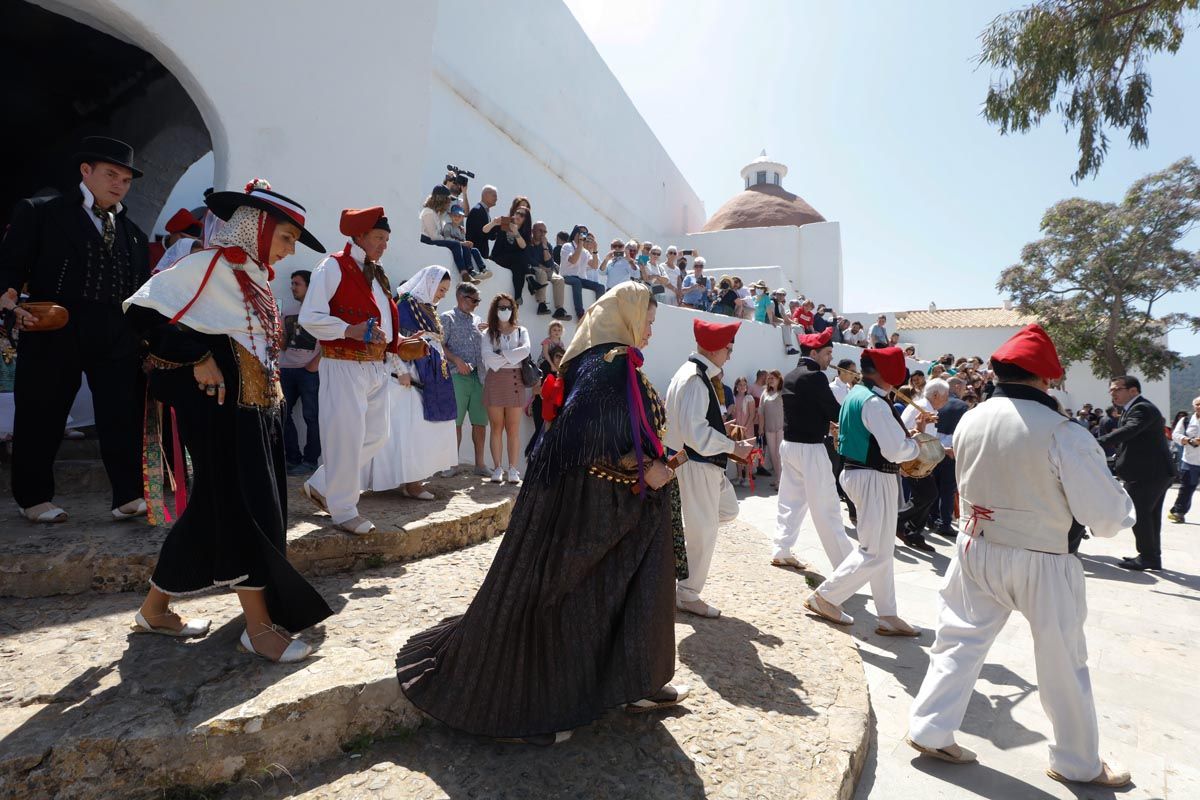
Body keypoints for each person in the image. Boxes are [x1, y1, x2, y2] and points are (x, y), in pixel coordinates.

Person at [396, 283, 687, 744]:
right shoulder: (609, 365)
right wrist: (639, 466)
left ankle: (637, 681)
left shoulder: (610, 362)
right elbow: (580, 435)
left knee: (626, 595)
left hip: (615, 505)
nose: (650, 330)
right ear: (627, 318)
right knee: (571, 597)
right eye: (647, 320)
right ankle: (537, 707)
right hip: (591, 507)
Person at [907, 324, 1134, 788]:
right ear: (1045, 379)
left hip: (976, 545)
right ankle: (1076, 761)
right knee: (1062, 661)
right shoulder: (1064, 433)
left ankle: (930, 727)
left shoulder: (971, 417)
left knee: (958, 640)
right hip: (1044, 556)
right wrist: (1122, 503)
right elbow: (1106, 518)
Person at [123, 177, 333, 662]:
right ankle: (258, 629)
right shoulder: (205, 266)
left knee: (212, 508)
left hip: (256, 411)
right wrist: (197, 355)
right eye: (284, 238)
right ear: (257, 228)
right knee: (242, 508)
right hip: (220, 413)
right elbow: (140, 314)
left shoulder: (256, 278)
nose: (287, 252)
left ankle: (155, 609)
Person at [0, 136, 150, 523]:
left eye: (126, 179)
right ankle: (33, 499)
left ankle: (127, 495)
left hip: (116, 332)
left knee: (121, 412)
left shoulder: (133, 232)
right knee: (42, 412)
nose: (119, 184)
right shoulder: (41, 212)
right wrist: (10, 302)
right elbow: (10, 266)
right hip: (56, 326)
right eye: (111, 174)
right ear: (86, 171)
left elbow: (140, 290)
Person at [806, 346, 927, 636]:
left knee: (882, 550)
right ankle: (826, 596)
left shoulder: (857, 395)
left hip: (863, 475)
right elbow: (896, 449)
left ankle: (887, 614)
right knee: (875, 552)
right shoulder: (874, 401)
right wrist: (916, 445)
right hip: (873, 477)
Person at [300, 206, 399, 535]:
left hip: (375, 365)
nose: (384, 244)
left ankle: (322, 483)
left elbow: (381, 316)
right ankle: (343, 509)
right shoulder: (333, 266)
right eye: (378, 238)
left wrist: (401, 343)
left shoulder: (375, 271)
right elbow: (310, 317)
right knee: (346, 438)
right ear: (359, 236)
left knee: (377, 435)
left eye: (386, 239)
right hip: (343, 363)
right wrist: (348, 329)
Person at [665, 318, 755, 618]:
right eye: (728, 349)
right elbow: (696, 434)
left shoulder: (694, 374)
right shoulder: (695, 378)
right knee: (703, 530)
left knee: (724, 512)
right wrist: (733, 446)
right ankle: (688, 593)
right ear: (715, 349)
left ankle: (682, 571)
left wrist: (722, 433)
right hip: (698, 465)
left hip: (703, 466)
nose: (730, 354)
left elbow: (696, 425)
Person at [362, 266, 458, 500]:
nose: (442, 294)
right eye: (440, 289)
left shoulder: (427, 308)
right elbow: (393, 341)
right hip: (407, 380)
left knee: (421, 430)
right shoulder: (405, 306)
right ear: (429, 284)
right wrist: (401, 371)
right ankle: (411, 483)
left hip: (430, 377)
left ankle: (413, 480)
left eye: (445, 290)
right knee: (408, 430)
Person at [773, 328, 855, 571]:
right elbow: (834, 410)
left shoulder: (790, 375)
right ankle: (847, 566)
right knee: (828, 507)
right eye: (828, 353)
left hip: (789, 445)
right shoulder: (816, 376)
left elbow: (810, 409)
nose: (831, 358)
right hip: (810, 448)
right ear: (814, 352)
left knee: (790, 501)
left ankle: (781, 548)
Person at [1097, 375, 1175, 570]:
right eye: (1111, 390)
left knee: (1139, 515)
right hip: (1153, 472)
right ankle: (1152, 557)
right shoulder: (1133, 408)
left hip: (1147, 474)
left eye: (1117, 389)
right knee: (1150, 516)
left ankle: (1147, 557)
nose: (1112, 393)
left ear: (1133, 390)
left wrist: (1096, 442)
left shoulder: (1142, 408)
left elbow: (1130, 430)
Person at [441, 283, 490, 478]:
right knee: (456, 422)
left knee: (480, 422)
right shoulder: (447, 318)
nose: (477, 304)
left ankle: (480, 464)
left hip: (479, 376)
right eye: (474, 300)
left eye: (478, 300)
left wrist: (488, 332)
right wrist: (456, 360)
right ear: (461, 297)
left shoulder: (478, 320)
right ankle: (452, 464)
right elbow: (439, 344)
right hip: (457, 375)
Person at [483, 293, 530, 483]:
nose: (505, 311)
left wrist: (500, 354)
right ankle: (497, 468)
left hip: (515, 380)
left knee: (513, 428)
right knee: (496, 427)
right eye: (501, 307)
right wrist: (511, 356)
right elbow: (486, 355)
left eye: (508, 307)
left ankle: (512, 468)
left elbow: (525, 350)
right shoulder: (489, 333)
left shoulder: (521, 331)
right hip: (495, 380)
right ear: (495, 310)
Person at [280, 269, 321, 475]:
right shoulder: (287, 311)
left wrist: (315, 363)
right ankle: (292, 458)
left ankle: (310, 460)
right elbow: (283, 342)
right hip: (286, 369)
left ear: (309, 286)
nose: (293, 287)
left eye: (297, 283)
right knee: (283, 414)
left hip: (309, 372)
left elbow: (329, 342)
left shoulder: (320, 313)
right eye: (292, 283)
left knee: (311, 417)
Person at [929, 381, 969, 536]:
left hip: (932, 448)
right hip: (950, 451)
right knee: (947, 490)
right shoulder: (962, 406)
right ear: (957, 387)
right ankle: (945, 522)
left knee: (933, 486)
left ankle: (932, 518)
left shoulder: (934, 403)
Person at [418, 185, 478, 282]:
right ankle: (464, 274)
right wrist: (458, 243)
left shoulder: (437, 215)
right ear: (441, 200)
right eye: (448, 200)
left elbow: (442, 234)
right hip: (427, 240)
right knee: (456, 245)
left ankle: (469, 272)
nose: (449, 203)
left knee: (462, 246)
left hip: (434, 240)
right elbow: (434, 237)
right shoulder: (428, 212)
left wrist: (458, 231)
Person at [557, 225, 603, 319]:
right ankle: (580, 313)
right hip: (567, 276)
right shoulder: (567, 246)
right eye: (581, 233)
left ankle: (599, 313)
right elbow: (573, 260)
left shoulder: (585, 251)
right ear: (575, 234)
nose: (583, 235)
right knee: (576, 282)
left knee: (600, 287)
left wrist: (595, 250)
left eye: (585, 233)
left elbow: (594, 266)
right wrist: (580, 245)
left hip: (581, 279)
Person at [491, 201, 531, 305]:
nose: (518, 216)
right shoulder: (506, 223)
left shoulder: (525, 232)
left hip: (513, 262)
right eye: (517, 213)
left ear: (526, 220)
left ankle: (517, 297)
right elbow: (487, 231)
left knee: (518, 267)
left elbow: (524, 246)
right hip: (498, 257)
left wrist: (516, 232)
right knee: (519, 257)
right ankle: (529, 279)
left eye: (522, 215)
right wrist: (494, 223)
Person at [526, 220, 569, 319]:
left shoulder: (547, 245)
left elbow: (550, 263)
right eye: (540, 231)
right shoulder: (527, 242)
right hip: (534, 268)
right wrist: (542, 266)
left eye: (545, 232)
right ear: (533, 231)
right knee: (542, 273)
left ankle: (559, 310)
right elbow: (529, 259)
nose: (542, 234)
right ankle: (541, 304)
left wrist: (545, 247)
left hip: (547, 269)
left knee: (559, 279)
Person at [440, 204, 492, 283]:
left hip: (462, 246)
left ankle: (482, 268)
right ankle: (471, 270)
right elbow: (447, 238)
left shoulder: (461, 229)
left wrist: (468, 243)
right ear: (451, 216)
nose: (457, 217)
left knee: (474, 250)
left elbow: (463, 240)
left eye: (459, 216)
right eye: (455, 215)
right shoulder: (448, 226)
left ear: (462, 217)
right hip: (455, 247)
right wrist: (463, 243)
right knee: (465, 248)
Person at [1168, 396, 1200, 522]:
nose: (1199, 406)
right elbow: (1175, 435)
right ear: (1193, 406)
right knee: (1186, 487)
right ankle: (1178, 512)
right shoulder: (1185, 420)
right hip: (1189, 460)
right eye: (1197, 404)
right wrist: (1187, 440)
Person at [757, 370, 784, 487]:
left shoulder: (783, 392)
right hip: (769, 428)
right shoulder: (765, 393)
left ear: (779, 379)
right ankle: (778, 478)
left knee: (780, 455)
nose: (770, 379)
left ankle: (781, 481)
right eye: (769, 378)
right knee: (773, 455)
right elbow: (761, 412)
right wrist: (760, 428)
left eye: (773, 377)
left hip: (781, 427)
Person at [729, 377, 756, 486]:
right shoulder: (734, 398)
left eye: (744, 385)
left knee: (747, 454)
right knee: (737, 454)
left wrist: (744, 428)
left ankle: (747, 478)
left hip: (747, 430)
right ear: (736, 386)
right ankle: (739, 476)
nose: (742, 387)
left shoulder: (749, 398)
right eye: (740, 385)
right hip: (736, 430)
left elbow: (752, 415)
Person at [465, 184, 503, 260]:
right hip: (474, 255)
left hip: (480, 255)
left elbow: (490, 235)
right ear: (486, 195)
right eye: (494, 196)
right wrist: (494, 224)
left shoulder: (484, 211)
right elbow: (480, 233)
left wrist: (498, 226)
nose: (496, 199)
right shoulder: (477, 210)